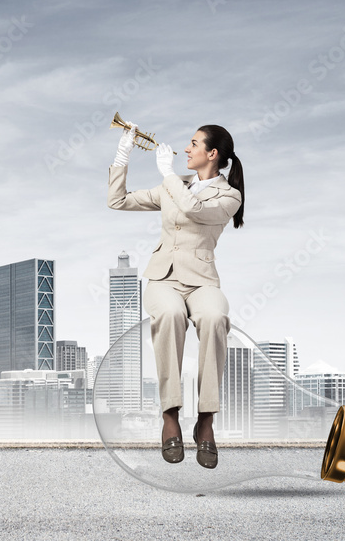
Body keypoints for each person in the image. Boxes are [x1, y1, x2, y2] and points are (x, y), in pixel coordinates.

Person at [107, 120, 245, 468]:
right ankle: (170, 414)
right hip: (164, 278)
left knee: (215, 318)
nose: (186, 148)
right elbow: (117, 200)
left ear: (212, 154)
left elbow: (193, 210)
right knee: (169, 315)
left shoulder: (229, 196)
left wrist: (167, 173)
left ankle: (206, 420)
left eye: (194, 144)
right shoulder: (174, 185)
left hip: (202, 281)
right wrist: (123, 151)